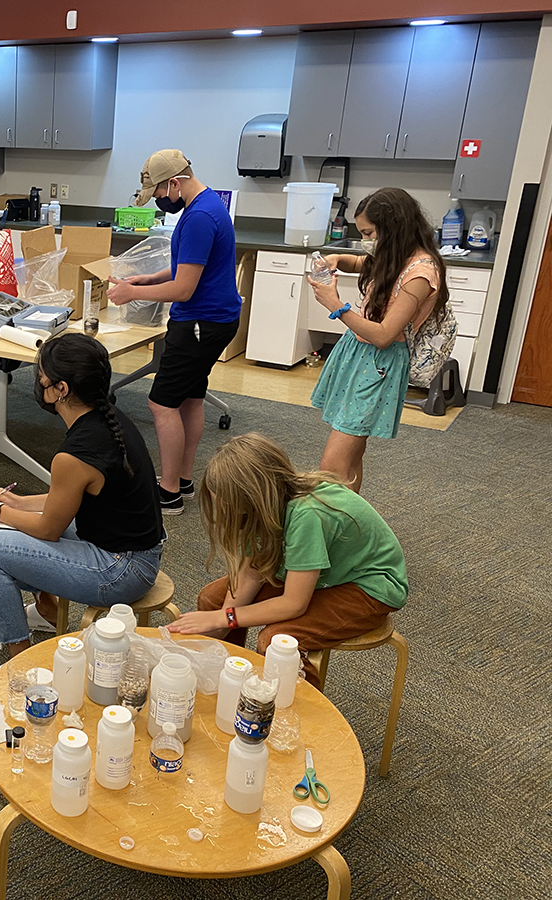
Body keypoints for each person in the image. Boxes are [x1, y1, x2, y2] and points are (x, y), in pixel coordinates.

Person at [0, 333, 165, 697]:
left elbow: (48, 529)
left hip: (120, 569)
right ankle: (45, 610)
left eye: (41, 377)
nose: (37, 384)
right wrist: (17, 504)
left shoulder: (74, 454)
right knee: (12, 526)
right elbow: (67, 497)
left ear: (61, 389)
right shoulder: (108, 417)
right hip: (130, 547)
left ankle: (17, 666)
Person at [168, 433, 407, 684]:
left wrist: (225, 618)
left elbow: (294, 604)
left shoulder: (307, 514)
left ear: (253, 495)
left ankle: (298, 715)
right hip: (325, 574)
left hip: (369, 586)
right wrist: (224, 618)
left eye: (227, 503)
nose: (223, 511)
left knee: (277, 642)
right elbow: (251, 572)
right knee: (212, 600)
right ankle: (230, 682)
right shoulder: (265, 504)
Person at [106, 149, 242, 516]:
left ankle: (167, 493)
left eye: (161, 195)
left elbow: (183, 289)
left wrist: (131, 292)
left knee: (161, 403)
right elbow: (188, 266)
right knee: (190, 399)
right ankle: (181, 479)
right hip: (216, 319)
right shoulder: (208, 204)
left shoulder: (198, 216)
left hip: (200, 322)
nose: (161, 202)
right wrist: (148, 278)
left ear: (175, 183)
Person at [308, 187, 449, 492]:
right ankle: (347, 526)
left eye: (370, 233)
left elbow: (385, 335)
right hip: (359, 355)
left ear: (392, 227)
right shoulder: (397, 254)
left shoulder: (420, 274)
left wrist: (336, 306)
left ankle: (330, 527)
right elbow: (362, 263)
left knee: (331, 467)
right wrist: (337, 259)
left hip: (377, 365)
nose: (367, 241)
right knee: (351, 454)